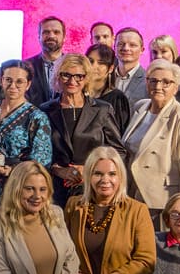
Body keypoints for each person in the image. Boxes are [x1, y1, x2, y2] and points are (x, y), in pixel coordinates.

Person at [122, 58, 180, 222]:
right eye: (153, 81)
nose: (158, 86)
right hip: (131, 195)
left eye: (166, 82)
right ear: (147, 83)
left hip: (162, 202)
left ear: (176, 87)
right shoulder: (140, 107)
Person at [43, 53, 125, 207]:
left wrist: (90, 168)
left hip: (94, 187)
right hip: (54, 189)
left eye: (79, 76)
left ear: (86, 78)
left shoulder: (102, 109)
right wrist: (59, 171)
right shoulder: (45, 110)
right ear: (57, 77)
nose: (72, 81)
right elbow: (39, 153)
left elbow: (118, 151)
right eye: (66, 75)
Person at [0, 61, 52, 221]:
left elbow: (41, 161)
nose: (13, 86)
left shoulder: (36, 117)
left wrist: (9, 171)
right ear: (1, 80)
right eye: (8, 80)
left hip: (17, 187)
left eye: (19, 81)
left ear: (28, 84)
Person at [83, 42, 133, 134]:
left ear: (110, 68)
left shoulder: (118, 98)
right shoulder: (77, 93)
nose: (93, 66)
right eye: (90, 61)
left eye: (101, 63)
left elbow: (119, 134)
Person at [25, 15, 68, 106]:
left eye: (56, 32)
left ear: (64, 37)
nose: (51, 36)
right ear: (39, 36)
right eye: (46, 32)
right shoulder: (26, 66)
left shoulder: (73, 66)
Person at [115, 27, 147, 103]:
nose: (126, 48)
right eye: (121, 44)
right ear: (114, 48)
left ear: (142, 50)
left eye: (132, 45)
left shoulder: (149, 80)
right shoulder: (105, 78)